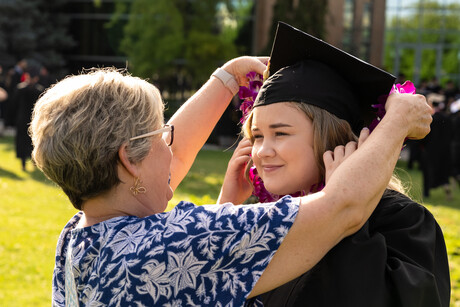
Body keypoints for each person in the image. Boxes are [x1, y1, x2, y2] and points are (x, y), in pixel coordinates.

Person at [30, 53, 431, 306]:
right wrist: (396, 122)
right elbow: (341, 207)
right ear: (129, 161)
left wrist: (226, 78)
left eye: (281, 133)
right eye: (162, 137)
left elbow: (191, 274)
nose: (173, 147)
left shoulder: (77, 239)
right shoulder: (171, 243)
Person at [219, 22, 450, 306]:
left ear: (334, 140)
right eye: (256, 136)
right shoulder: (266, 217)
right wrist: (226, 207)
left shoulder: (403, 223)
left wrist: (348, 218)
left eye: (280, 133)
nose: (262, 151)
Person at [14, 65, 44, 171]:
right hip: (27, 120)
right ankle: (28, 163)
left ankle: (31, 163)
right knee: (27, 142)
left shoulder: (24, 89)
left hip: (28, 120)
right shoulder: (37, 90)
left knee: (31, 142)